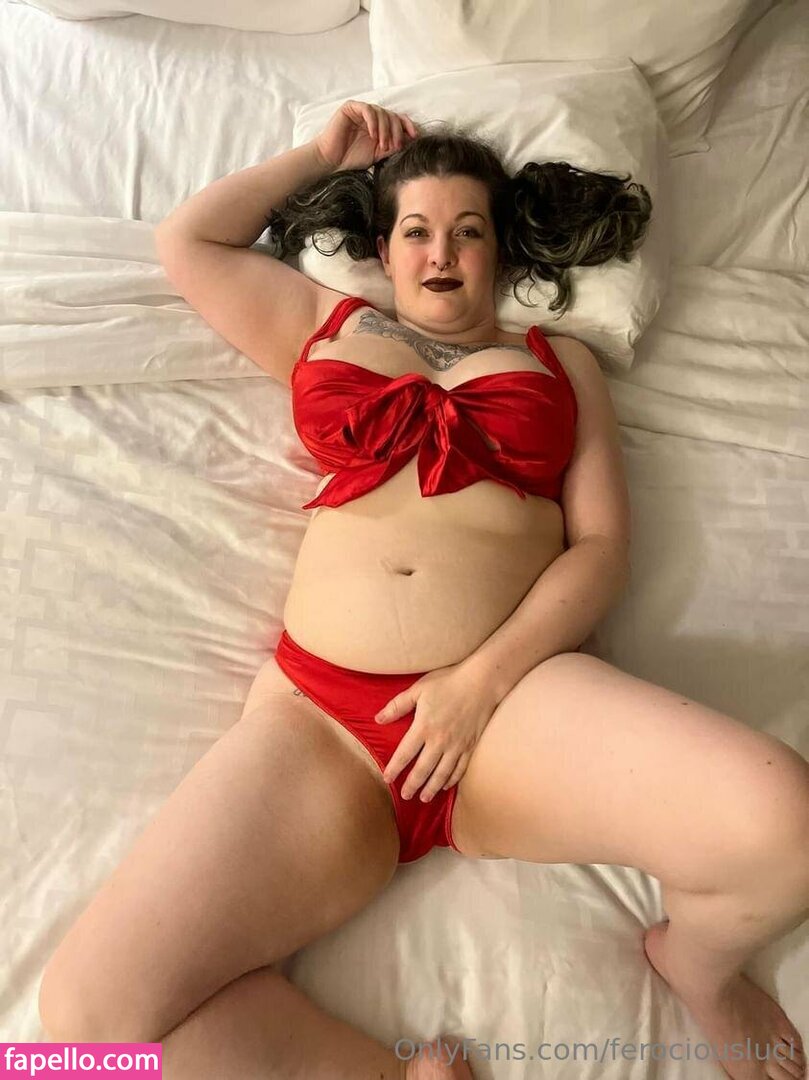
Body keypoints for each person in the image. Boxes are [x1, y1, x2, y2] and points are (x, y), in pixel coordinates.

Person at [38, 99, 808, 1080]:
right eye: (415, 231)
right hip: (323, 727)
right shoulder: (324, 324)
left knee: (785, 826)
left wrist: (479, 684)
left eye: (467, 230)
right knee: (77, 1033)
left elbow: (601, 550)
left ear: (499, 252)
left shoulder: (559, 361)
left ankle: (696, 967)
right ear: (382, 250)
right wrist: (317, 155)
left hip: (512, 711)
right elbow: (186, 243)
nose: (440, 252)